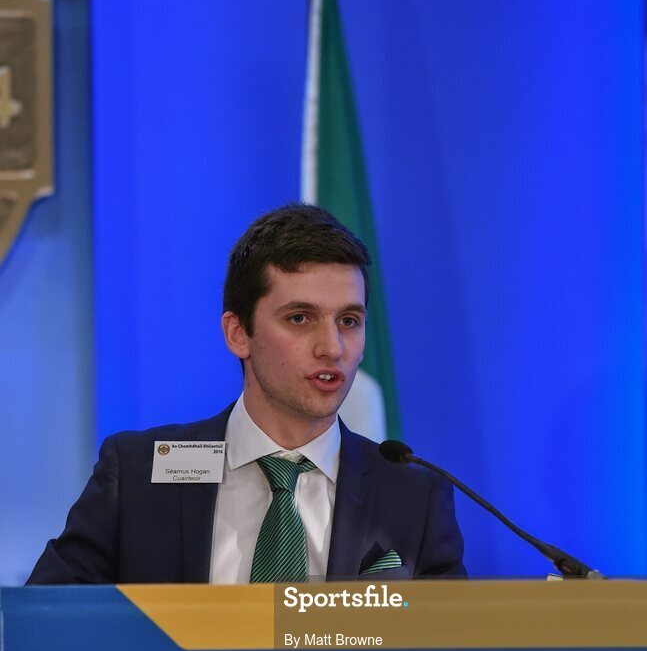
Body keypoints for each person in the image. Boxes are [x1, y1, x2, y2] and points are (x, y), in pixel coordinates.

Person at [27, 204, 465, 584]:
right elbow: (49, 629)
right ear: (238, 334)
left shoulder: (413, 496)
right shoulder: (141, 473)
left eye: (349, 320)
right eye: (299, 318)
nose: (332, 347)